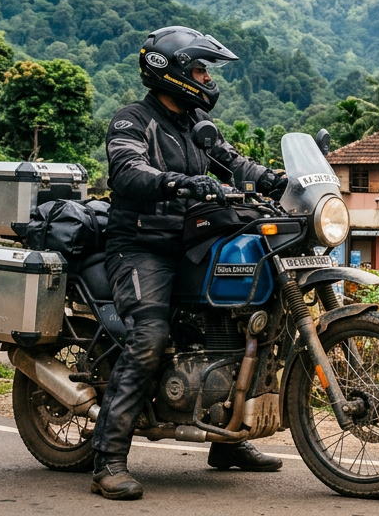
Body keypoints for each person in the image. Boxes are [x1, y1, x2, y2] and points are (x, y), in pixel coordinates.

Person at [90, 27, 290, 500]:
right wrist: (176, 182)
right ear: (173, 71)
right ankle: (108, 460)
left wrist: (277, 181)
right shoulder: (132, 120)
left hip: (191, 242)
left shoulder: (197, 124)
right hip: (140, 246)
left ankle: (227, 441)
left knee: (246, 321)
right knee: (149, 336)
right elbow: (128, 170)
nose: (206, 78)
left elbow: (234, 162)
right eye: (199, 70)